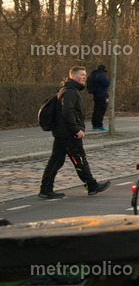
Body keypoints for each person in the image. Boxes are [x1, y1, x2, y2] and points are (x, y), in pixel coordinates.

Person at [38, 66, 111, 199]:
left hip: (62, 133)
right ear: (73, 76)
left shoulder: (69, 90)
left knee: (56, 160)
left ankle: (45, 189)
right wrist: (76, 129)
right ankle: (91, 185)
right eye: (81, 74)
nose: (84, 77)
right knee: (79, 159)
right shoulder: (70, 91)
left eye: (85, 74)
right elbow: (67, 112)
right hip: (68, 133)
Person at [89, 64, 110, 131]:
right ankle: (99, 125)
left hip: (96, 95)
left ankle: (95, 124)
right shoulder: (100, 75)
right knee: (101, 109)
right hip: (102, 95)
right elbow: (107, 83)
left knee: (96, 110)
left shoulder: (93, 75)